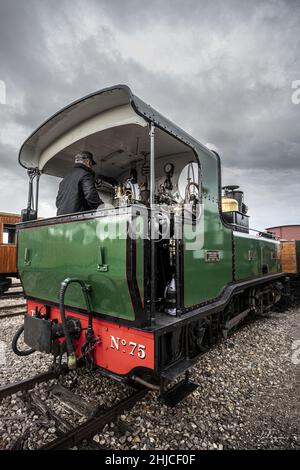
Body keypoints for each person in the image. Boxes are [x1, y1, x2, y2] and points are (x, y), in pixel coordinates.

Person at [56, 150, 103, 216]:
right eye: (92, 164)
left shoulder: (65, 179)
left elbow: (58, 202)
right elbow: (90, 195)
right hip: (78, 219)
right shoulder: (86, 174)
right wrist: (102, 208)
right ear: (88, 162)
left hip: (60, 219)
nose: (92, 167)